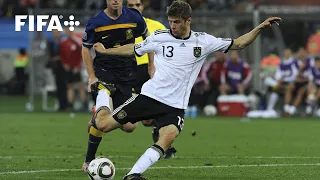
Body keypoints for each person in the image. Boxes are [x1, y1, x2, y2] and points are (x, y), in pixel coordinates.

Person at [91, 1, 281, 179]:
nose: (172, 26)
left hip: (175, 105)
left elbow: (238, 43)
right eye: (171, 22)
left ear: (188, 20)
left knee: (167, 138)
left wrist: (260, 27)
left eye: (177, 22)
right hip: (150, 96)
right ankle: (102, 94)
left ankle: (133, 175)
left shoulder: (203, 41)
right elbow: (133, 49)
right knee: (103, 125)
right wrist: (106, 51)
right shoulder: (159, 37)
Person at [81, 0, 151, 172]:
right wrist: (91, 76)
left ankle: (95, 120)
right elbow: (86, 49)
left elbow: (149, 40)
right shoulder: (96, 22)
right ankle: (89, 161)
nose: (115, 0)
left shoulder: (134, 17)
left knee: (130, 127)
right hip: (104, 74)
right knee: (104, 118)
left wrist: (152, 65)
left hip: (127, 76)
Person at [126, 0, 176, 158]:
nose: (135, 8)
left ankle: (163, 143)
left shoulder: (157, 27)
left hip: (151, 72)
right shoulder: (118, 28)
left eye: (138, 5)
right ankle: (100, 118)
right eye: (131, 6)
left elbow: (171, 48)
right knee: (134, 123)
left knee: (157, 113)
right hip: (128, 73)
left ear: (142, 7)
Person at [60, 28, 86, 110]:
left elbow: (80, 55)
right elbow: (61, 55)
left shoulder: (77, 42)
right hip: (68, 69)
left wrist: (77, 66)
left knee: (80, 86)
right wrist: (64, 64)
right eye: (67, 31)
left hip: (76, 68)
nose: (68, 32)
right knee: (69, 86)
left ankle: (84, 104)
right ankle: (70, 105)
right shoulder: (63, 42)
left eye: (70, 31)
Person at [284, 47, 314, 116]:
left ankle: (291, 111)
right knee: (289, 88)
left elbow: (310, 75)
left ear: (306, 53)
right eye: (300, 53)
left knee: (301, 91)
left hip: (307, 82)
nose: (302, 54)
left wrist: (303, 78)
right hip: (297, 82)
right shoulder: (294, 62)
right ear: (298, 54)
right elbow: (295, 76)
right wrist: (300, 69)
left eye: (303, 52)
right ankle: (286, 109)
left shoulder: (310, 61)